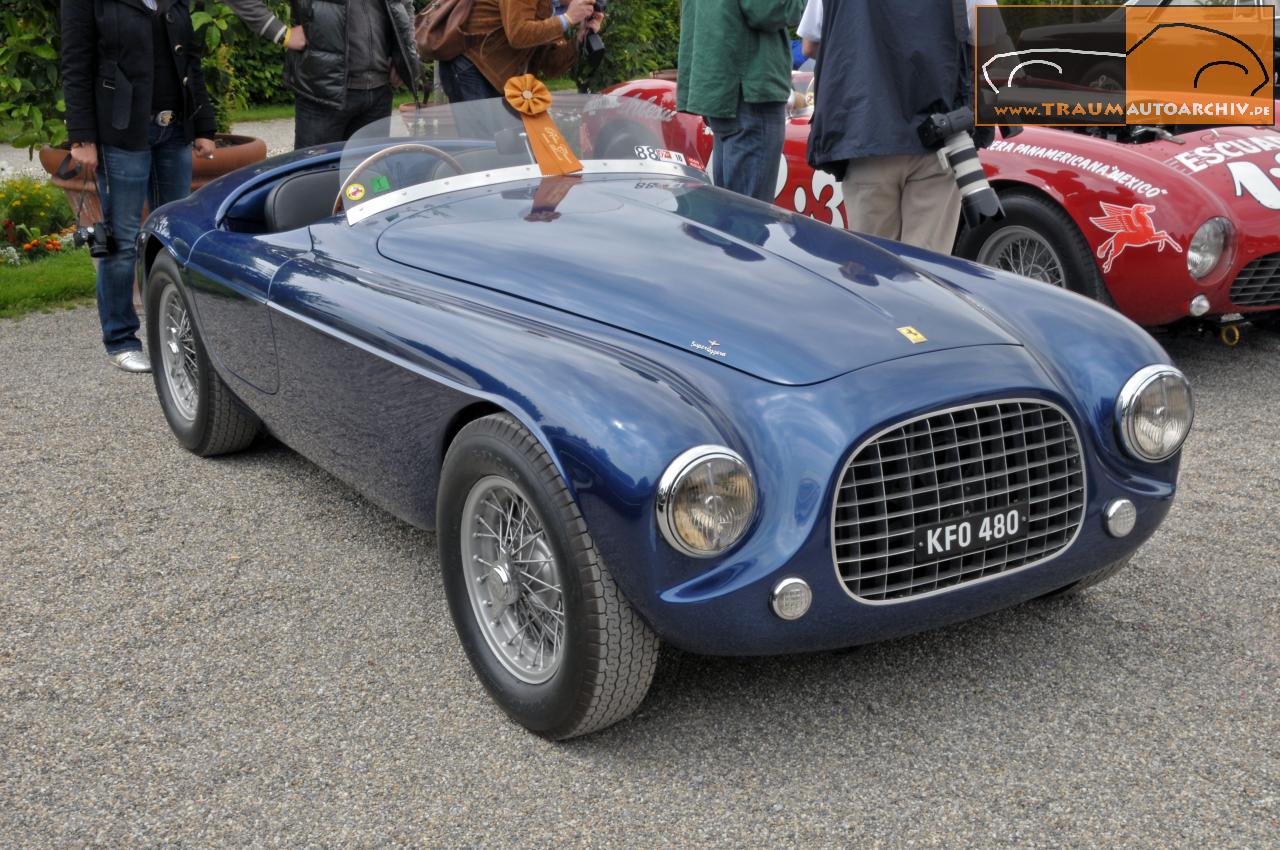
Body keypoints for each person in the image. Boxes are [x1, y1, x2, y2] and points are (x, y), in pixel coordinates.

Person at [61, 0, 218, 373]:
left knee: (176, 236)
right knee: (122, 236)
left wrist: (204, 126)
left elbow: (190, 62)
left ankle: (177, 330)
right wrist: (81, 136)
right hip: (119, 132)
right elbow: (75, 65)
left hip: (173, 129)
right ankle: (120, 339)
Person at [808, 0, 976, 253]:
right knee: (928, 271)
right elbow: (988, 39)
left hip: (867, 134)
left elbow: (811, 44)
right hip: (939, 135)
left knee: (872, 269)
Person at [225, 0, 420, 148]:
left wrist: (405, 54)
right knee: (313, 184)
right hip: (322, 96)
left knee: (369, 188)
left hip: (378, 95)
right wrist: (282, 34)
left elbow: (403, 5)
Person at [676, 0, 804, 203]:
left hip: (726, 84)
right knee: (747, 222)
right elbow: (769, 9)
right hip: (749, 89)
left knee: (730, 216)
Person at [440, 0, 605, 104]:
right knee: (484, 148)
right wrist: (567, 19)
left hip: (504, 78)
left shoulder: (555, 8)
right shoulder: (561, 14)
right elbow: (518, 34)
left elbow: (550, 67)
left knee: (513, 148)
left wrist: (579, 39)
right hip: (471, 67)